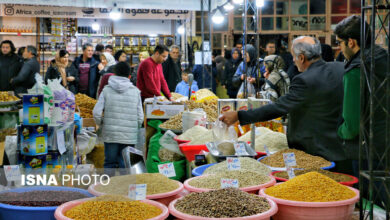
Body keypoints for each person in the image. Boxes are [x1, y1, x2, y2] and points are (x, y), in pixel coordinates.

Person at [221, 36, 347, 164]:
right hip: (343, 149)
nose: (293, 60)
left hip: (316, 153)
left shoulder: (304, 80)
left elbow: (278, 108)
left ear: (302, 58)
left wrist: (239, 115)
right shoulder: (341, 69)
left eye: (294, 56)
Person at [93, 61, 144, 176]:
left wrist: (101, 124)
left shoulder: (106, 90)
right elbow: (140, 117)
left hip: (111, 134)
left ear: (114, 74)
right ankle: (124, 191)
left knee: (109, 163)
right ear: (129, 76)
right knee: (125, 164)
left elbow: (96, 112)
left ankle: (108, 189)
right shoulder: (136, 92)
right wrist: (133, 129)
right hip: (129, 136)